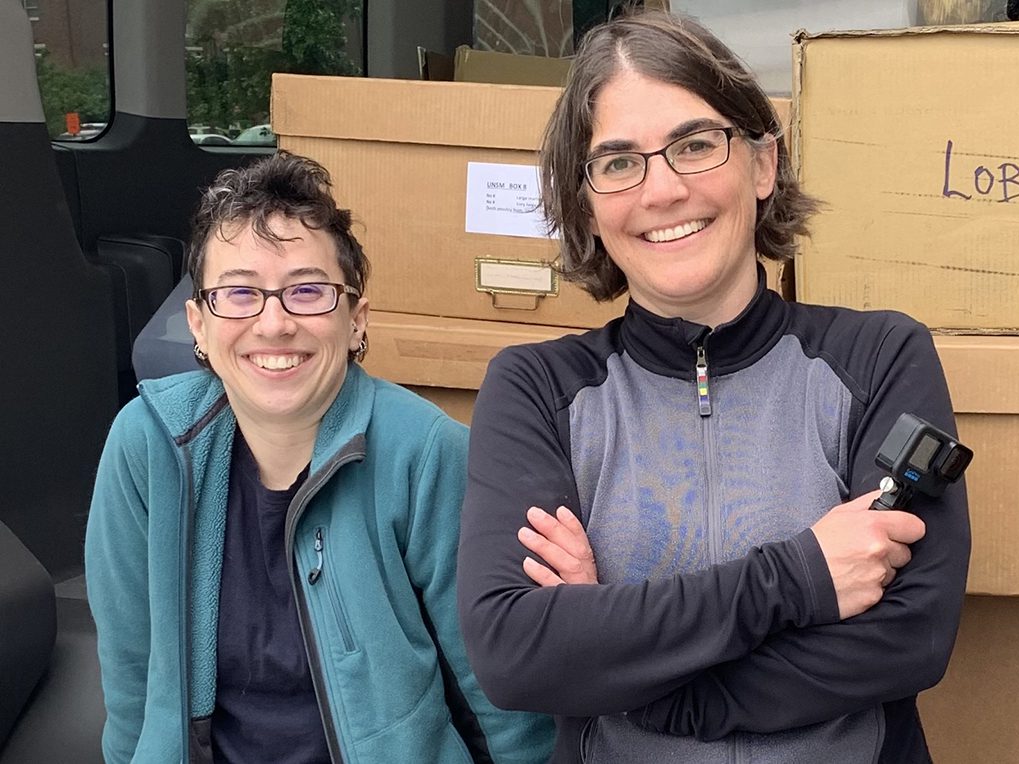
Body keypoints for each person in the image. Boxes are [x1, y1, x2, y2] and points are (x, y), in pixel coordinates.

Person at [456, 11, 970, 764]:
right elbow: (516, 652)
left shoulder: (880, 356)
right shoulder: (536, 388)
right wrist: (797, 578)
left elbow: (908, 638)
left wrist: (633, 665)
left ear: (763, 164)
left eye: (696, 145)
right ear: (588, 206)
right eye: (619, 162)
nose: (662, 190)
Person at [85, 152, 553, 763]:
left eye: (307, 291)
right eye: (240, 293)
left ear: (357, 319)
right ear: (198, 325)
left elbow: (500, 696)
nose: (274, 323)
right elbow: (132, 682)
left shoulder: (428, 454)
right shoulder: (147, 445)